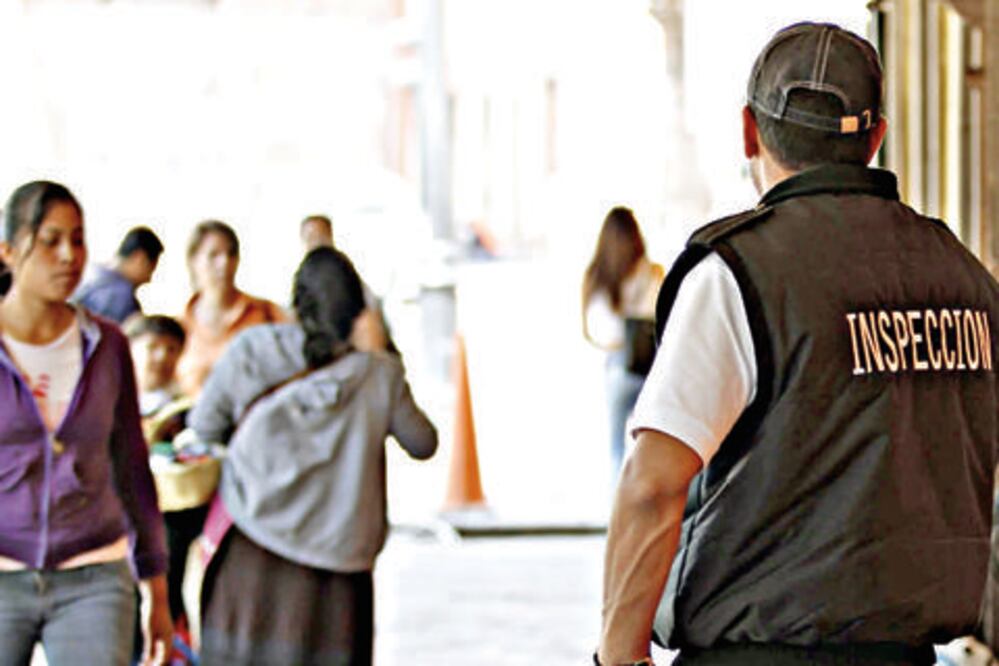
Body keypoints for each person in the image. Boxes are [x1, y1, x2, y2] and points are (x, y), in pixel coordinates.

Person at [598, 22, 999, 666]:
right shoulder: (965, 277)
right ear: (875, 139)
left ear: (750, 131)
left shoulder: (739, 273)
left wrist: (618, 658)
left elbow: (653, 484)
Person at [188, 246, 437, 665]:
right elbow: (423, 443)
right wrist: (382, 349)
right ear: (358, 310)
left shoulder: (252, 350)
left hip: (251, 557)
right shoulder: (380, 374)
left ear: (297, 300)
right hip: (338, 576)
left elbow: (204, 429)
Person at [0, 180, 172, 665]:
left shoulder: (108, 345)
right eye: (50, 240)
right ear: (9, 251)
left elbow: (133, 469)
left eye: (77, 239)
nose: (68, 255)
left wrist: (156, 589)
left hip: (94, 577)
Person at [125, 315, 202, 636]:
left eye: (171, 349)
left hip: (167, 526)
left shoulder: (186, 414)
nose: (162, 357)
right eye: (152, 347)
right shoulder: (105, 402)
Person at [583, 206, 664, 479]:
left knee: (615, 446)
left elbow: (595, 329)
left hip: (617, 368)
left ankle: (614, 511)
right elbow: (661, 317)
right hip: (649, 368)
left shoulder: (597, 275)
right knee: (650, 446)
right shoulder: (651, 272)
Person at [175, 220, 286, 397]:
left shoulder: (267, 313)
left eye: (231, 254)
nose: (225, 263)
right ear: (193, 260)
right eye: (214, 255)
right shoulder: (179, 326)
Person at [74, 225, 163, 323]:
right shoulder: (122, 295)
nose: (149, 279)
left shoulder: (87, 273)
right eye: (151, 269)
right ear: (139, 258)